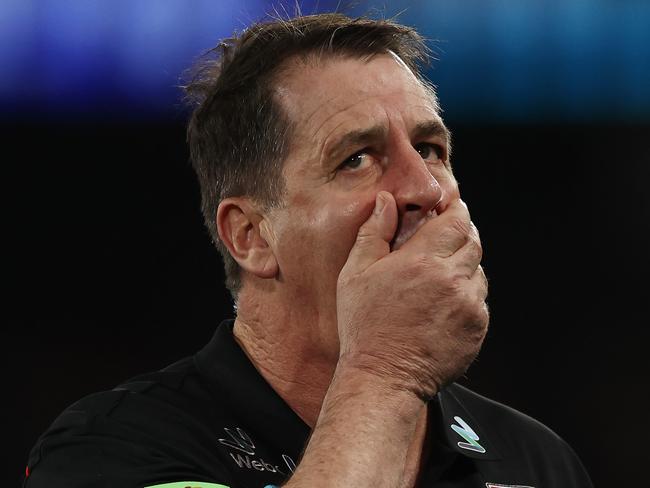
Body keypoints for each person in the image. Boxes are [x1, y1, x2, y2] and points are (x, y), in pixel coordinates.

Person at [24, 13, 593, 488]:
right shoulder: (113, 450)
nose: (423, 188)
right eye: (357, 158)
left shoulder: (536, 461)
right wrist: (385, 372)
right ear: (251, 235)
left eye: (431, 148)